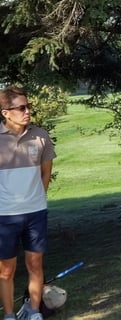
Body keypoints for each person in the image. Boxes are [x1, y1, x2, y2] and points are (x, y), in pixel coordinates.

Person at [0, 86, 56, 320]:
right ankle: (10, 315)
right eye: (21, 108)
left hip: (36, 213)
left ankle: (34, 312)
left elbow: (46, 173)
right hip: (5, 216)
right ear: (6, 112)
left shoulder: (41, 136)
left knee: (35, 264)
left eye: (28, 106)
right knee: (6, 271)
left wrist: (38, 198)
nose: (27, 111)